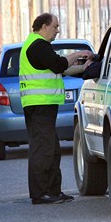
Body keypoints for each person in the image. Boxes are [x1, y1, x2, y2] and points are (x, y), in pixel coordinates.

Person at [19, 13, 94, 204]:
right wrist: (77, 54)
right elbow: (58, 64)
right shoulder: (38, 45)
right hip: (40, 105)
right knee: (43, 150)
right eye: (55, 26)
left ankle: (53, 191)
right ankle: (41, 193)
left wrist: (83, 68)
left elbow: (60, 69)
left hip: (44, 105)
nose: (57, 30)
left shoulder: (38, 45)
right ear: (44, 26)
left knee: (51, 149)